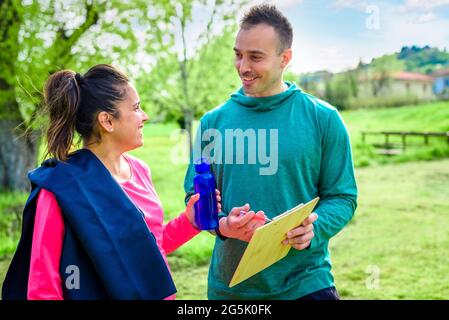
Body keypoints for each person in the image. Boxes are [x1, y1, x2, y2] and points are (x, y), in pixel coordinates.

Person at [184, 4, 357, 300]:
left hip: (306, 283)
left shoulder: (323, 118)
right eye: (238, 54)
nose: (243, 66)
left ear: (284, 58)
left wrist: (316, 227)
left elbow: (342, 196)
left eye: (255, 57)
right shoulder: (213, 122)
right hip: (232, 290)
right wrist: (223, 225)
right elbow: (194, 198)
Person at [2, 64, 220, 300]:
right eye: (136, 108)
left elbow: (145, 251)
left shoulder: (140, 170)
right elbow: (43, 286)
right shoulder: (62, 186)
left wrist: (190, 222)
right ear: (107, 121)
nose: (144, 116)